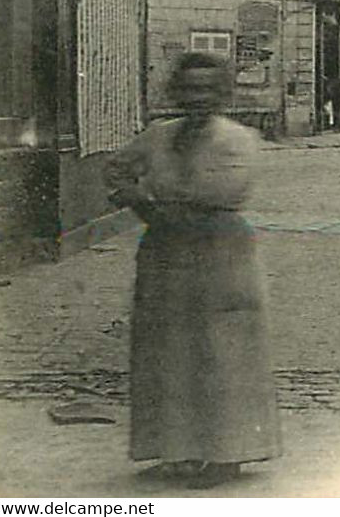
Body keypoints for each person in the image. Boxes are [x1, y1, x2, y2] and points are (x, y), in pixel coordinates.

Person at [103, 53, 281, 486]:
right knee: (166, 347)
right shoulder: (157, 137)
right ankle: (174, 449)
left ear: (223, 94)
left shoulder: (238, 140)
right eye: (189, 88)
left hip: (220, 249)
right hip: (165, 250)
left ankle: (227, 454)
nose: (198, 97)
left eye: (208, 89)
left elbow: (218, 192)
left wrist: (149, 199)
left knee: (221, 349)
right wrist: (137, 195)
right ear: (176, 91)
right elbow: (115, 170)